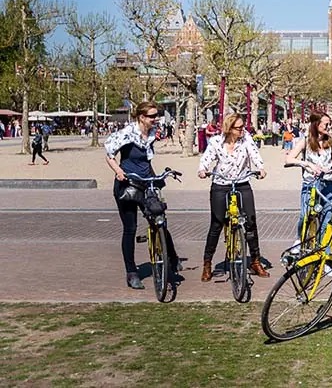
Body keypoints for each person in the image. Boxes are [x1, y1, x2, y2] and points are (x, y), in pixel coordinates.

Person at [104, 101, 180, 290]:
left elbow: (146, 160)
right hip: (127, 184)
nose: (156, 119)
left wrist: (157, 177)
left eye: (157, 115)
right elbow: (109, 153)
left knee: (159, 218)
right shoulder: (128, 133)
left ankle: (171, 256)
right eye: (152, 116)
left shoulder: (152, 134)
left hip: (146, 182)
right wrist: (118, 171)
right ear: (142, 117)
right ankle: (131, 272)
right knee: (130, 228)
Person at [197, 113, 270, 281]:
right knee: (217, 223)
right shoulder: (216, 141)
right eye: (239, 128)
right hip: (221, 184)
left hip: (242, 182)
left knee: (250, 221)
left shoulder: (246, 139)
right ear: (229, 129)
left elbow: (255, 155)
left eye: (243, 127)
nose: (242, 130)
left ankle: (255, 261)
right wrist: (203, 169)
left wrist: (260, 168)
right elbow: (206, 158)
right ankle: (207, 263)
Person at [285, 112, 332, 248]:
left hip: (329, 184)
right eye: (326, 124)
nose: (329, 127)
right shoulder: (305, 141)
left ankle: (324, 256)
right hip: (310, 184)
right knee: (304, 215)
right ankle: (300, 240)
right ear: (316, 124)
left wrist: (331, 169)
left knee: (327, 220)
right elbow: (289, 159)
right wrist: (306, 164)